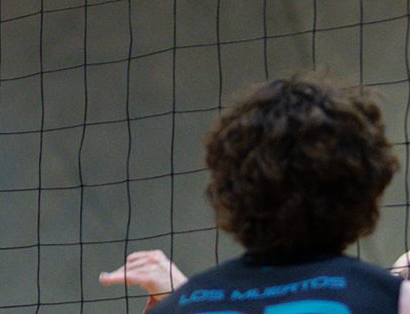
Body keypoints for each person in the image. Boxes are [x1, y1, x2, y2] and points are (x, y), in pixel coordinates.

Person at [99, 75, 410, 313]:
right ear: (369, 186)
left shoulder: (177, 306)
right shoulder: (389, 298)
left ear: (227, 191)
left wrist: (185, 297)